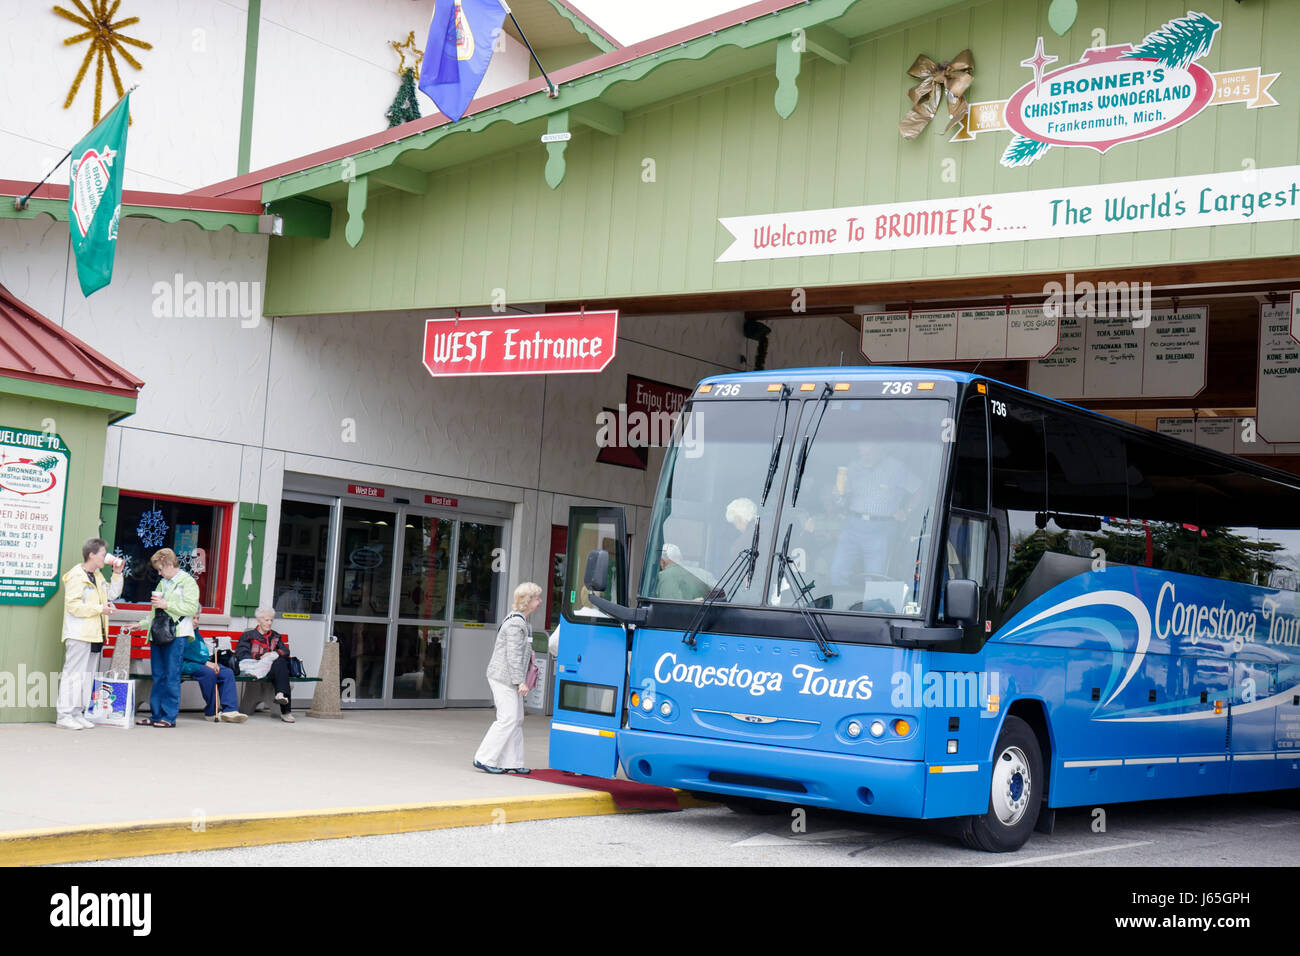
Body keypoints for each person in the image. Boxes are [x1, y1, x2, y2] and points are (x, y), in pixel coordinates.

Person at [829, 441, 923, 588]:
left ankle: (870, 608)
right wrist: (837, 494)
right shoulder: (854, 467)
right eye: (862, 451)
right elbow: (842, 498)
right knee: (837, 573)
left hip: (880, 528)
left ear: (880, 448)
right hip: (852, 525)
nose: (864, 455)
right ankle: (841, 607)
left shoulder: (895, 468)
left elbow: (919, 489)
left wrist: (907, 510)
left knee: (874, 579)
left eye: (868, 451)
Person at [55, 538, 124, 730]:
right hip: (79, 633)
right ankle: (64, 714)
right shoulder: (76, 576)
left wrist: (117, 574)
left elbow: (111, 594)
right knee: (73, 675)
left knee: (86, 676)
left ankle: (77, 712)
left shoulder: (98, 576)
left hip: (96, 634)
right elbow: (73, 606)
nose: (106, 558)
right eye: (103, 554)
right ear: (92, 555)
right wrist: (99, 609)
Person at [474, 582, 541, 774]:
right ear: (527, 601)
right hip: (504, 678)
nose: (540, 601)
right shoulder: (515, 623)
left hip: (508, 677)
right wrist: (521, 681)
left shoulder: (521, 621)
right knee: (508, 718)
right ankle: (484, 758)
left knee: (516, 719)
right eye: (537, 598)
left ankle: (512, 761)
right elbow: (513, 656)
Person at [134, 548, 200, 728]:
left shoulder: (188, 582)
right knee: (158, 675)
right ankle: (156, 715)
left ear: (170, 564)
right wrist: (140, 624)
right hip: (159, 633)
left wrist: (167, 604)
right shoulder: (163, 583)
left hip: (177, 634)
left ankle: (169, 717)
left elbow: (191, 608)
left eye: (161, 569)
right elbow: (157, 613)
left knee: (171, 675)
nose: (159, 573)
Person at [181, 613, 246, 723]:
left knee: (227, 672)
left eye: (198, 618)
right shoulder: (181, 632)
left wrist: (210, 662)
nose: (196, 621)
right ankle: (212, 711)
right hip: (185, 664)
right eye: (193, 618)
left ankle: (230, 710)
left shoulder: (196, 634)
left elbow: (202, 652)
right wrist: (206, 662)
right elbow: (186, 653)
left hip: (202, 663)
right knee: (209, 673)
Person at [235, 607, 295, 723]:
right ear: (259, 620)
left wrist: (273, 654)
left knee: (281, 662)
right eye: (267, 620)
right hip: (256, 669)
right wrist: (260, 657)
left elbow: (285, 651)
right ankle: (285, 711)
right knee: (281, 665)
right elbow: (241, 655)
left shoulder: (275, 636)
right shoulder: (248, 636)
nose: (269, 623)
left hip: (273, 670)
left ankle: (280, 695)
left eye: (271, 620)